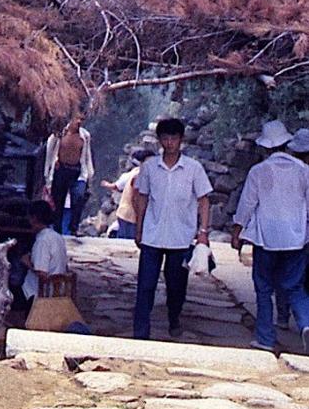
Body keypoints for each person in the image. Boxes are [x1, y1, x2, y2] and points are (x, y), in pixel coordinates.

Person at [230, 120, 309, 352]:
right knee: (295, 287)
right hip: (297, 239)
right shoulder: (304, 171)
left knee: (264, 288)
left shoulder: (258, 171)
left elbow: (247, 205)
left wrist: (237, 232)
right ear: (287, 143)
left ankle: (265, 338)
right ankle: (306, 323)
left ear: (265, 147)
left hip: (266, 239)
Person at [132, 117, 213, 340]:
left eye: (173, 138)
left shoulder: (193, 169)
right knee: (145, 285)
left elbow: (204, 200)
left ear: (181, 140)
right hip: (152, 235)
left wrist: (203, 233)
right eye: (165, 138)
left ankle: (174, 317)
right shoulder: (149, 167)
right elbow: (142, 198)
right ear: (159, 140)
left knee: (176, 286)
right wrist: (138, 228)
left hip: (181, 236)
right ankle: (141, 331)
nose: (169, 143)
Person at [45, 116, 94, 236]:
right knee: (58, 201)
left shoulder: (85, 136)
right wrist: (48, 173)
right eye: (76, 119)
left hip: (77, 171)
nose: (78, 122)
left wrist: (89, 174)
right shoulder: (58, 135)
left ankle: (74, 227)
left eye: (81, 120)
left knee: (78, 197)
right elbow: (49, 154)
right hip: (61, 170)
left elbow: (86, 155)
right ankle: (57, 229)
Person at [22, 199, 69, 302]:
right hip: (57, 290)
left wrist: (27, 263)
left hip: (41, 293)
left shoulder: (42, 240)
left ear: (34, 218)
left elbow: (42, 273)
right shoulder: (57, 237)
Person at [103, 149, 154, 240]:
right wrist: (140, 220)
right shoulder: (140, 177)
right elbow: (136, 200)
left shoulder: (136, 172)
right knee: (129, 244)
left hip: (124, 214)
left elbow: (118, 185)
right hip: (131, 217)